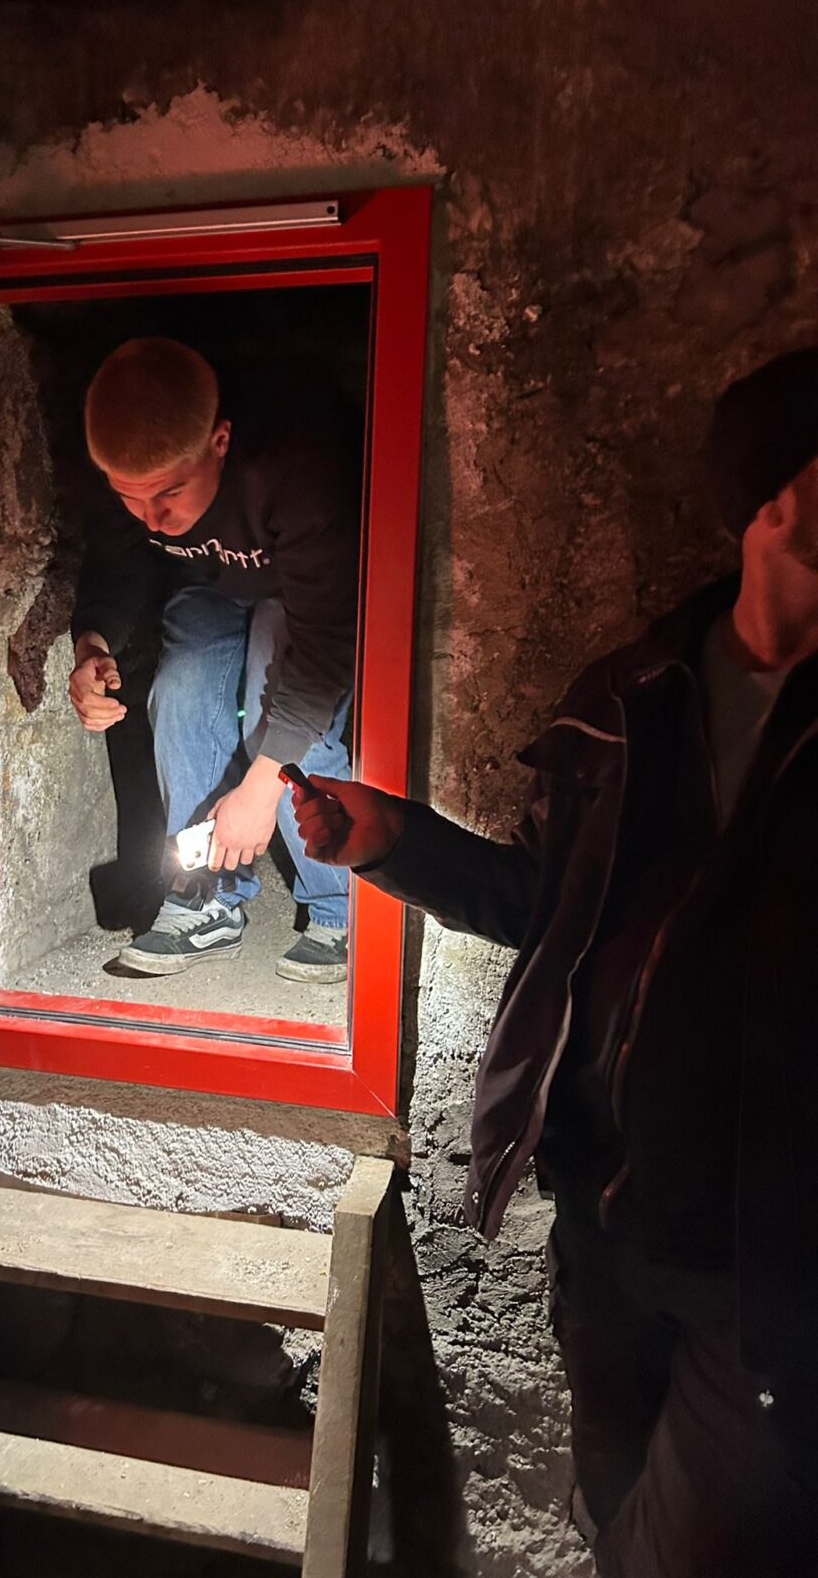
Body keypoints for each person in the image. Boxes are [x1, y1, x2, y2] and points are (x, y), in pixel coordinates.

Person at [290, 349, 818, 1576]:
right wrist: (392, 842)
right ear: (776, 503)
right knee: (607, 1506)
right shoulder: (627, 697)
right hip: (609, 1222)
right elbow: (554, 908)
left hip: (768, 1260)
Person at [68, 336, 362, 984]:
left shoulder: (293, 467)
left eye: (170, 493)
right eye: (131, 498)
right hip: (207, 585)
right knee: (180, 689)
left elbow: (321, 653)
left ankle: (339, 907)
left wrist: (260, 790)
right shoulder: (129, 476)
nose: (153, 517)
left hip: (300, 590)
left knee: (275, 702)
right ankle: (205, 900)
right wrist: (92, 642)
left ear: (219, 443)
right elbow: (117, 561)